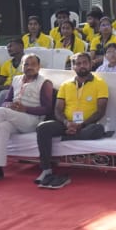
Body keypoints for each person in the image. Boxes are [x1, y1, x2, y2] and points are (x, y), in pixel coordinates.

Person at [35, 52, 109, 190]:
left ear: (90, 64)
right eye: (78, 63)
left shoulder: (100, 84)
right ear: (73, 67)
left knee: (97, 129)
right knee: (43, 127)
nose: (82, 66)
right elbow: (58, 110)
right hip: (66, 124)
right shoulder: (65, 85)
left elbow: (101, 111)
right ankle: (46, 169)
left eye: (85, 63)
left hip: (87, 125)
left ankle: (68, 135)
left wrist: (81, 125)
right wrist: (67, 123)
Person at [0, 54, 55, 185]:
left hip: (33, 120)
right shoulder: (16, 80)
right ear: (21, 66)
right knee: (2, 127)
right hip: (16, 118)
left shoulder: (45, 83)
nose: (29, 67)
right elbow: (6, 101)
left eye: (33, 64)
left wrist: (25, 109)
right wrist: (10, 105)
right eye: (26, 64)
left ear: (39, 67)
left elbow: (47, 109)